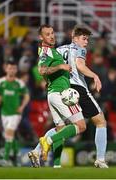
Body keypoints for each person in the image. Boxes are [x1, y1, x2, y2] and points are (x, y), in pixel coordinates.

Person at [28, 24, 86, 168]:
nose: (52, 36)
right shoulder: (46, 51)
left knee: (61, 129)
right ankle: (47, 141)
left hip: (53, 94)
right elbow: (41, 70)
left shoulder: (50, 51)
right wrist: (60, 67)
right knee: (80, 126)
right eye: (47, 34)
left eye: (52, 33)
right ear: (41, 37)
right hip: (62, 94)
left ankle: (56, 166)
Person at [56, 25, 108, 168]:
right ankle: (100, 159)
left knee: (63, 125)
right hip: (77, 88)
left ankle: (39, 148)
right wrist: (95, 75)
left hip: (62, 89)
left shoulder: (59, 50)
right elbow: (79, 65)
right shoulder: (79, 49)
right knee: (100, 121)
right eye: (84, 39)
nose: (86, 42)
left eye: (87, 39)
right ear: (75, 38)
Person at [0, 60, 30, 166]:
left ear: (16, 70)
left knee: (9, 133)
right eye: (10, 68)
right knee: (9, 137)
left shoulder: (19, 83)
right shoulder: (0, 82)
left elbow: (27, 96)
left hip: (15, 113)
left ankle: (5, 159)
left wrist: (22, 107)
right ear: (6, 69)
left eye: (13, 68)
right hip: (4, 113)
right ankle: (17, 157)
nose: (12, 70)